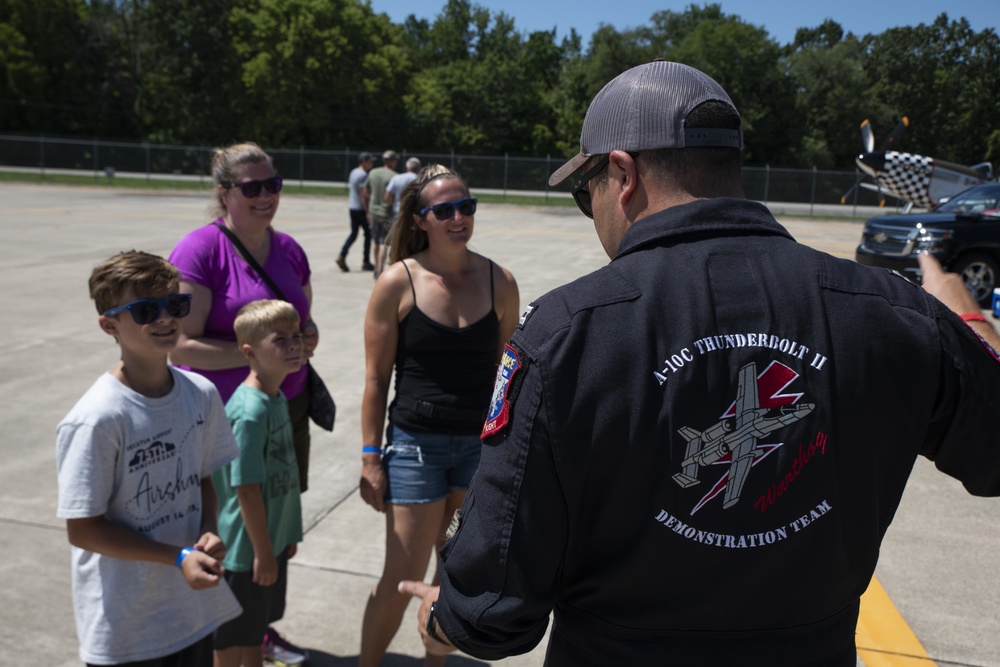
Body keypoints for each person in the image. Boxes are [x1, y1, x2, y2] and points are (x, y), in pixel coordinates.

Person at [398, 61, 1000, 665]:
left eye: (588, 193)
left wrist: (440, 620)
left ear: (622, 174)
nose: (593, 212)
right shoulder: (894, 313)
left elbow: (493, 610)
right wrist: (966, 318)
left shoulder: (566, 334)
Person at [358, 165, 520, 667]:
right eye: (443, 210)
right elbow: (375, 379)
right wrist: (370, 457)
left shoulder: (499, 281)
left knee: (454, 573)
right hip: (414, 445)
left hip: (476, 449)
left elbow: (505, 375)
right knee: (400, 576)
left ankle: (436, 663)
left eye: (466, 207)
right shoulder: (397, 281)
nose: (458, 218)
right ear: (421, 219)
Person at [56, 250, 242, 666]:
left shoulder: (200, 394)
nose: (164, 318)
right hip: (126, 626)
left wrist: (209, 530)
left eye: (175, 304)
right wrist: (175, 557)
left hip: (188, 610)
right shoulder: (98, 418)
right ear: (110, 325)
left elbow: (202, 480)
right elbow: (83, 529)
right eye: (145, 310)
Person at [168, 141, 315, 664]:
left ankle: (258, 632)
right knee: (232, 534)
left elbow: (302, 321)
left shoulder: (289, 249)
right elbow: (181, 342)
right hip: (224, 419)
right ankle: (224, 639)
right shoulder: (200, 251)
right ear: (225, 192)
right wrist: (259, 357)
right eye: (251, 188)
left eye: (271, 184)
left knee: (272, 527)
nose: (264, 196)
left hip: (284, 410)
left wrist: (301, 341)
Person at [213, 300, 306, 667]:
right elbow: (246, 489)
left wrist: (285, 537)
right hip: (245, 551)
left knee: (253, 634)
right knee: (229, 642)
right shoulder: (249, 413)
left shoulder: (276, 396)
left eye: (296, 335)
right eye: (280, 339)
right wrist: (264, 552)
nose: (294, 344)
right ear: (249, 352)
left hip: (269, 541)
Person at [337, 152, 376, 273]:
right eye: (370, 161)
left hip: (352, 207)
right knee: (368, 234)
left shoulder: (353, 172)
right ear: (364, 161)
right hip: (360, 209)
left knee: (354, 234)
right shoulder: (363, 175)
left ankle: (342, 255)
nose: (372, 163)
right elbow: (363, 194)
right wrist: (368, 211)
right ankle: (366, 261)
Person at [364, 150, 400, 278]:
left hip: (373, 212)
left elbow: (365, 191)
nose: (396, 163)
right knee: (383, 243)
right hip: (386, 213)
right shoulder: (394, 176)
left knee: (376, 241)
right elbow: (392, 196)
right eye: (395, 160)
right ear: (391, 161)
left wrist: (368, 209)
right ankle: (380, 269)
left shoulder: (373, 172)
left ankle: (376, 267)